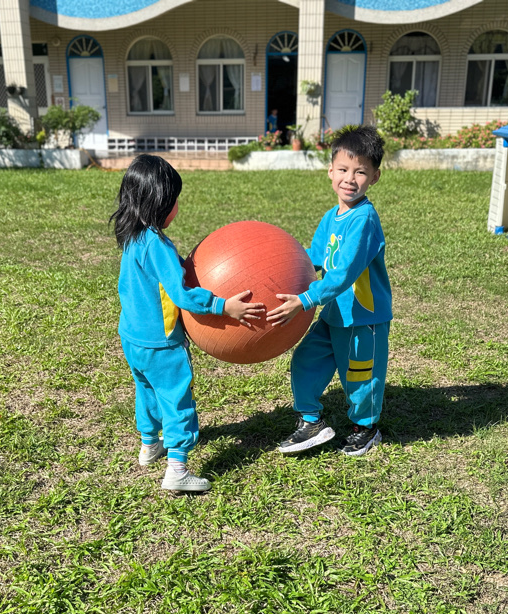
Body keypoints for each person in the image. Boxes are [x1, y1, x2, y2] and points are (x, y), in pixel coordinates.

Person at [110, 154, 264, 491]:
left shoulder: (133, 236)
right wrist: (224, 306)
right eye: (175, 199)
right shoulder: (157, 244)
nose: (178, 205)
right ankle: (177, 470)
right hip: (162, 343)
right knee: (177, 400)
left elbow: (159, 274)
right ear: (160, 203)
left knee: (147, 391)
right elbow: (181, 295)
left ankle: (149, 445)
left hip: (133, 338)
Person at [267, 125, 391, 456]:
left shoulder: (364, 220)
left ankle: (365, 428)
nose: (350, 179)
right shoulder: (331, 217)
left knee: (360, 377)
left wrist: (305, 299)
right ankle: (311, 421)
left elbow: (344, 273)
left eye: (360, 172)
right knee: (305, 361)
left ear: (375, 177)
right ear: (330, 171)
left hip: (363, 318)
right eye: (343, 169)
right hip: (334, 312)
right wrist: (284, 266)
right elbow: (315, 258)